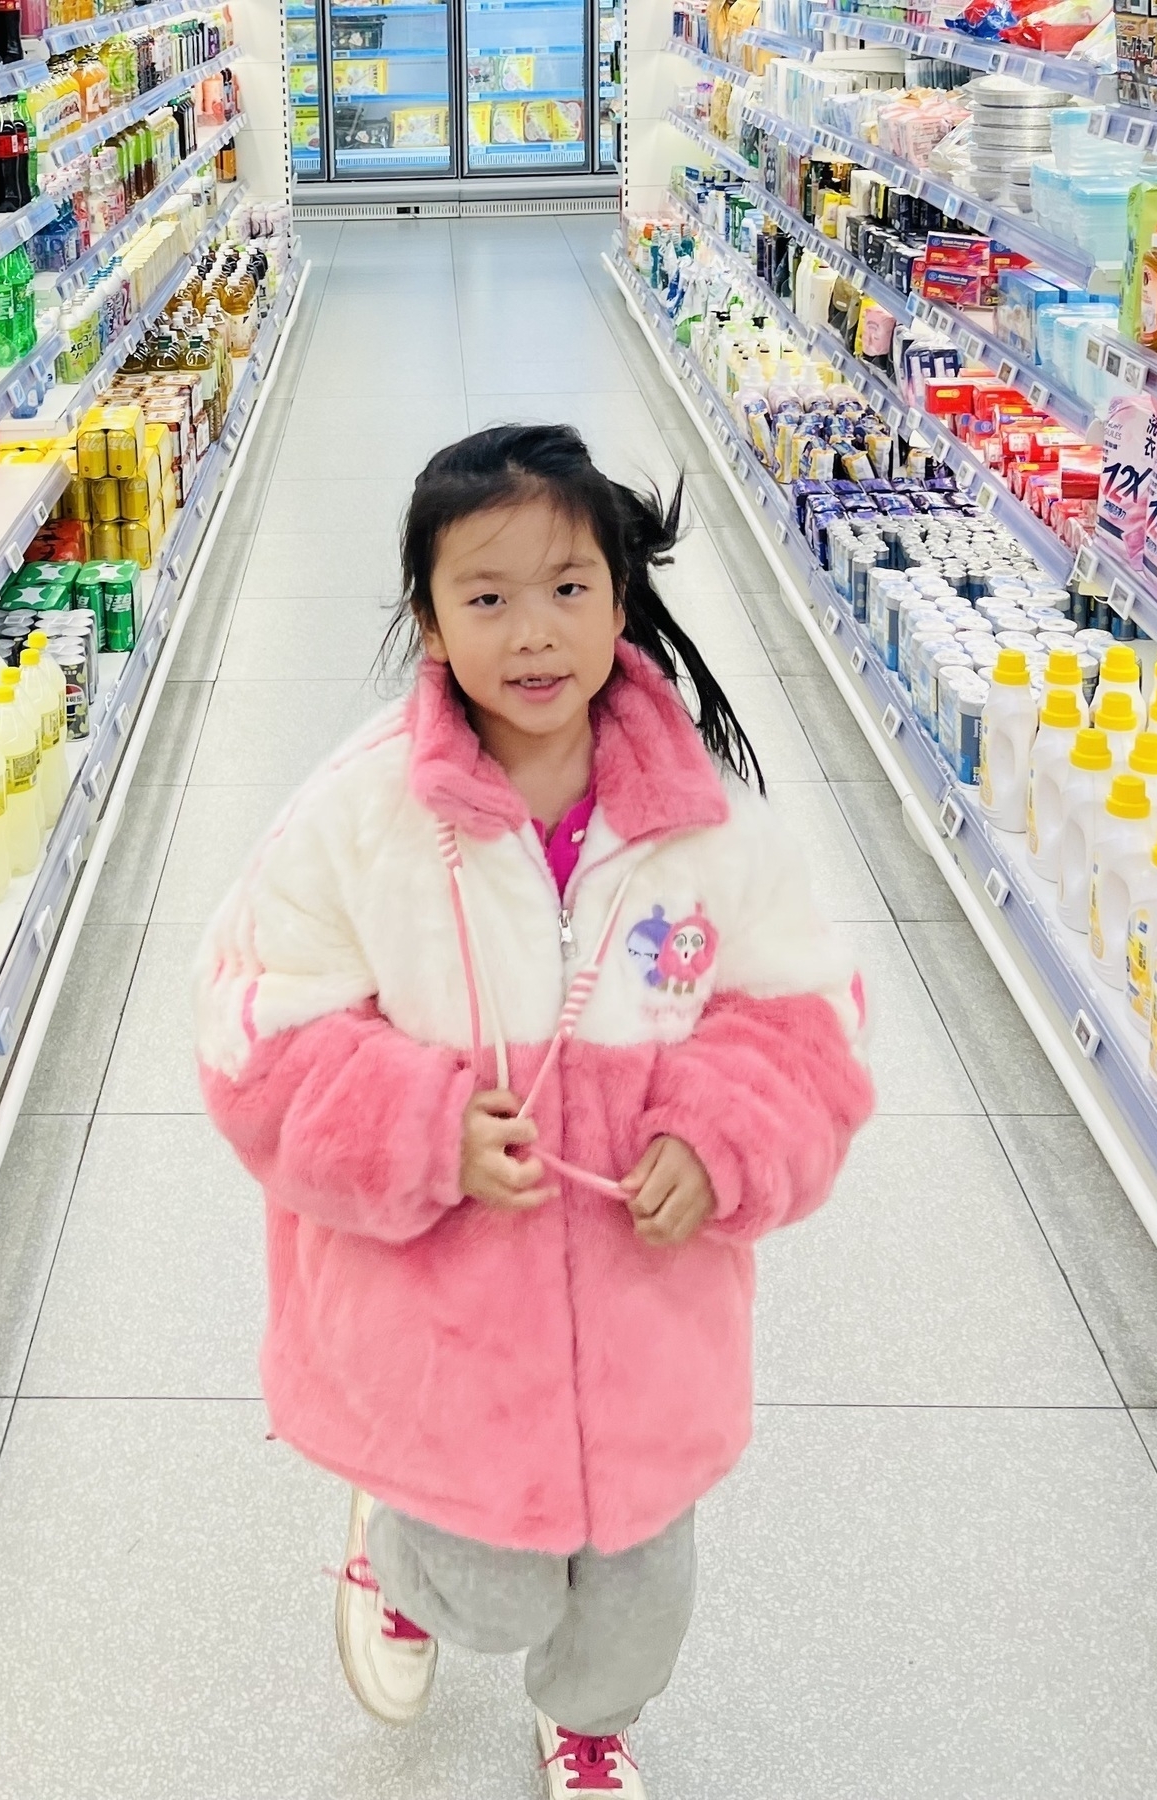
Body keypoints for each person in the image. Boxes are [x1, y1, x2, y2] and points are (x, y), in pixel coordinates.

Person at [194, 424, 873, 1798]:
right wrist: (421, 1125)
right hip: (442, 1317)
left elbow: (809, 1016)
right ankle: (398, 1550)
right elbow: (255, 1028)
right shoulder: (364, 817)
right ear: (428, 624)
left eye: (569, 587)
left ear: (625, 600)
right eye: (485, 596)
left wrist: (722, 1133)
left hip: (652, 1307)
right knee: (492, 1586)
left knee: (636, 1584)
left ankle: (593, 1723)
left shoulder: (711, 830)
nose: (534, 631)